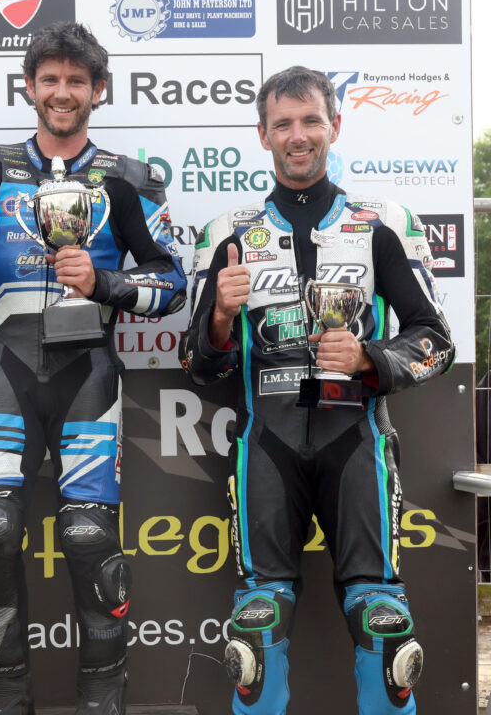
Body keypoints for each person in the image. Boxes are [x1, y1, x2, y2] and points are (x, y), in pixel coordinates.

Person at [0, 22, 186, 715]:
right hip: (5, 371)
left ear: (98, 90)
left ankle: (103, 701)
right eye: (50, 80)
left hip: (89, 374)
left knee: (90, 537)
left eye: (77, 81)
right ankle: (5, 700)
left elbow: (173, 284)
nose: (62, 92)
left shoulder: (127, 180)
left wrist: (104, 286)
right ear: (29, 87)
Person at [179, 66, 454, 715]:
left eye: (310, 121)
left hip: (355, 439)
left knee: (384, 623)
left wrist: (368, 357)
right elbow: (199, 365)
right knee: (256, 623)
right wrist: (219, 316)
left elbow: (435, 341)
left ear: (335, 125)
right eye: (283, 124)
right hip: (265, 444)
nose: (297, 136)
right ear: (262, 134)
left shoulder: (381, 223)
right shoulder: (226, 234)